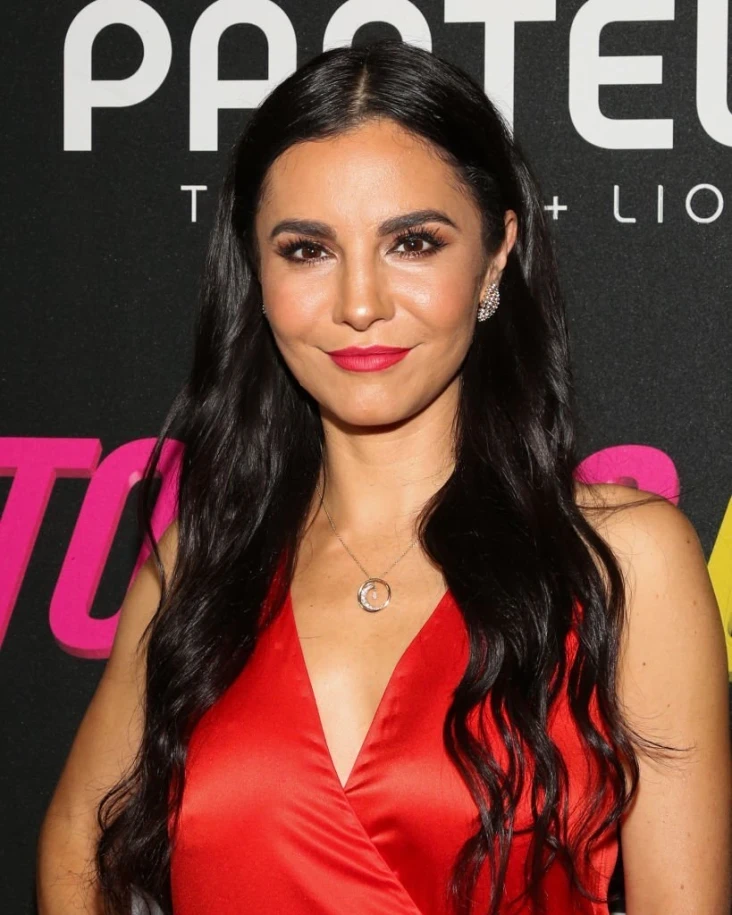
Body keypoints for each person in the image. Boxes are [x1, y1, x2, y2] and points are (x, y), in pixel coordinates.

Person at [37, 39, 730, 915]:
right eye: (307, 250)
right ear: (256, 270)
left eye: (412, 242)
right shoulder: (206, 560)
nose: (359, 303)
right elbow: (79, 835)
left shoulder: (623, 561)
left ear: (495, 254)